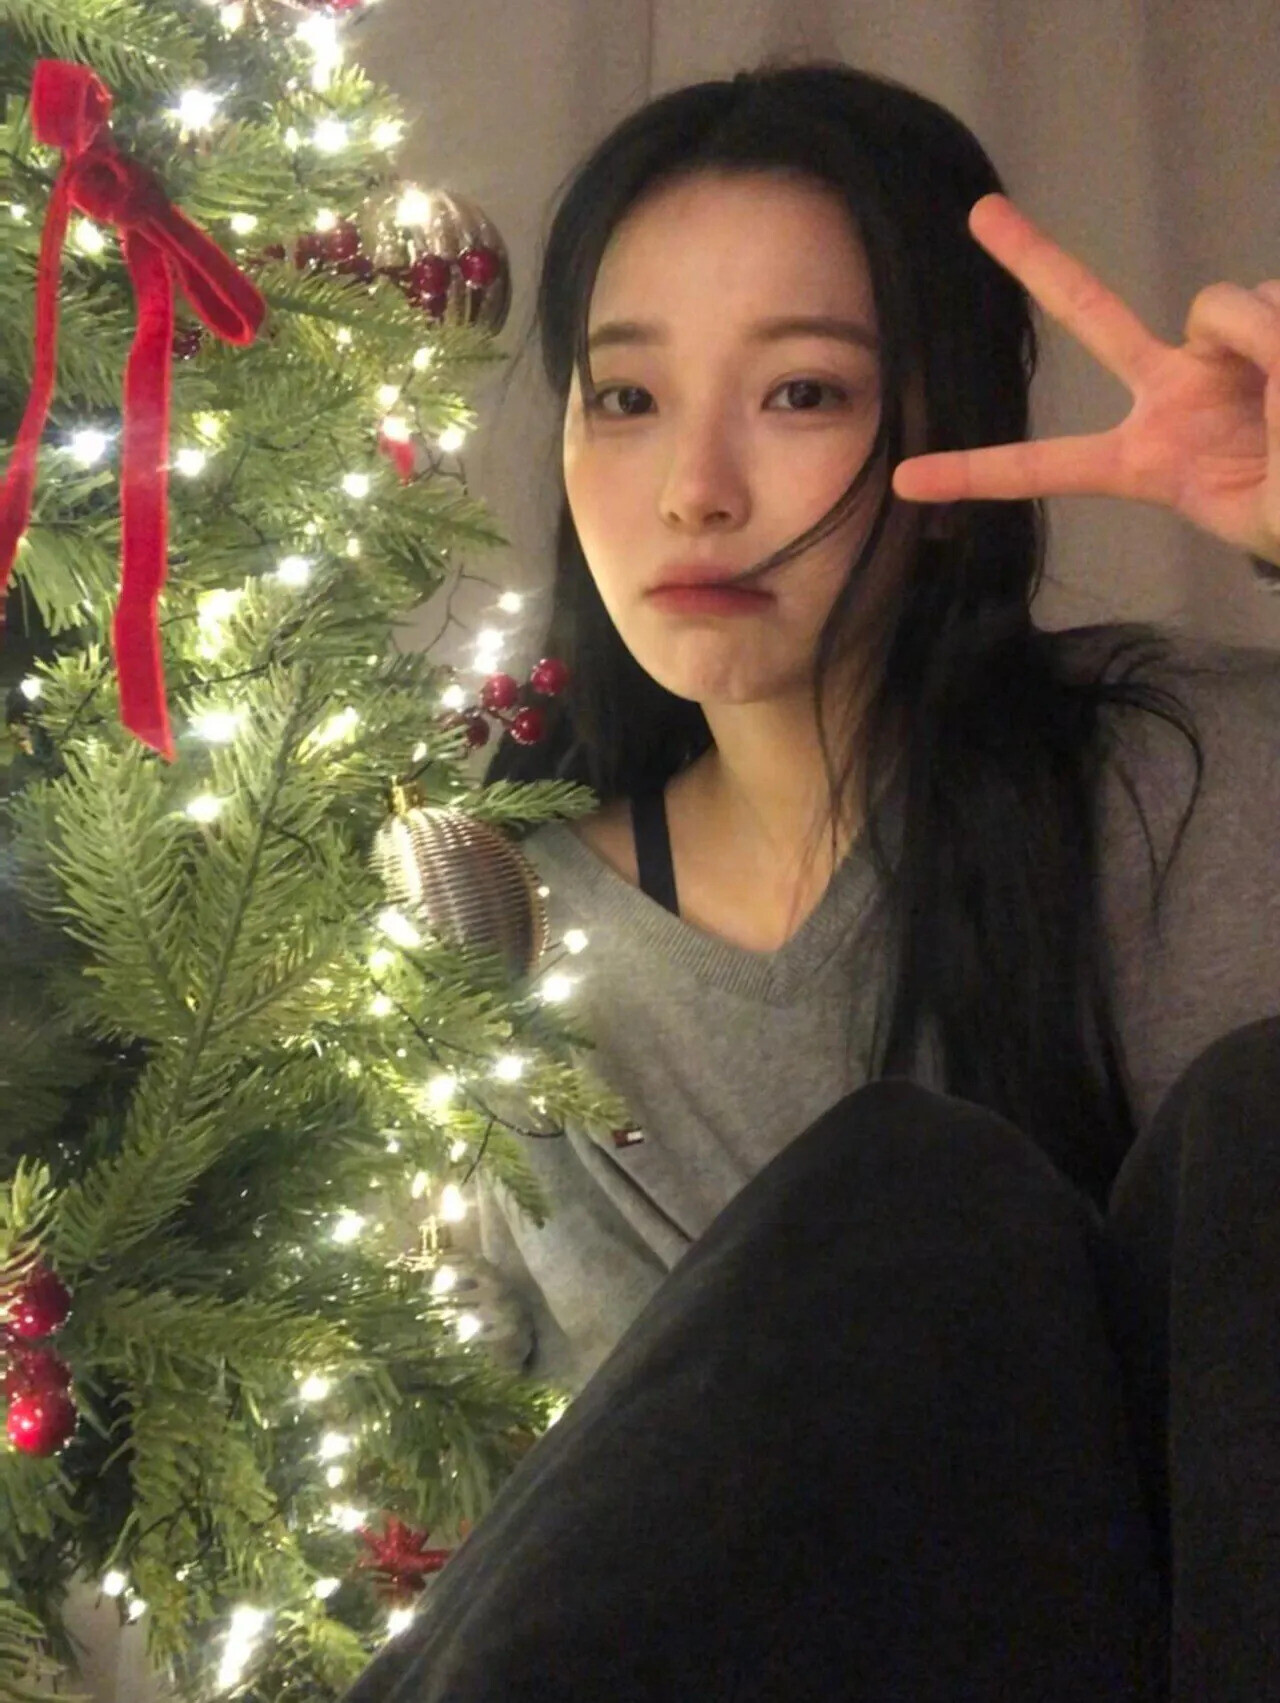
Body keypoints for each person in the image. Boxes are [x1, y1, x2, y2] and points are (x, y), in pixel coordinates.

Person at [344, 58, 1280, 1701]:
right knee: (910, 1192)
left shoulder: (1183, 781)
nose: (694, 488)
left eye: (801, 393)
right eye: (625, 397)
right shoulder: (494, 929)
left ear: (948, 441)